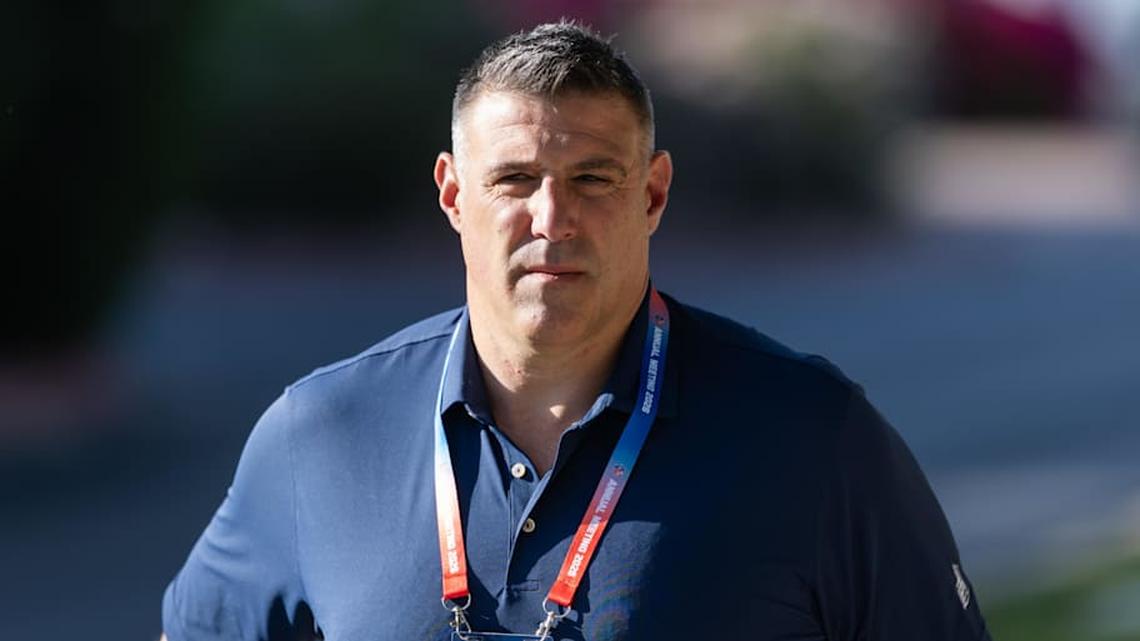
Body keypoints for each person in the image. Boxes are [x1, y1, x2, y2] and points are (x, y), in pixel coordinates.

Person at [162, 20, 993, 641]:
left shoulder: (813, 436)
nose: (552, 218)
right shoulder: (321, 434)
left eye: (593, 178)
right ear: (454, 196)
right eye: (515, 179)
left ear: (653, 195)